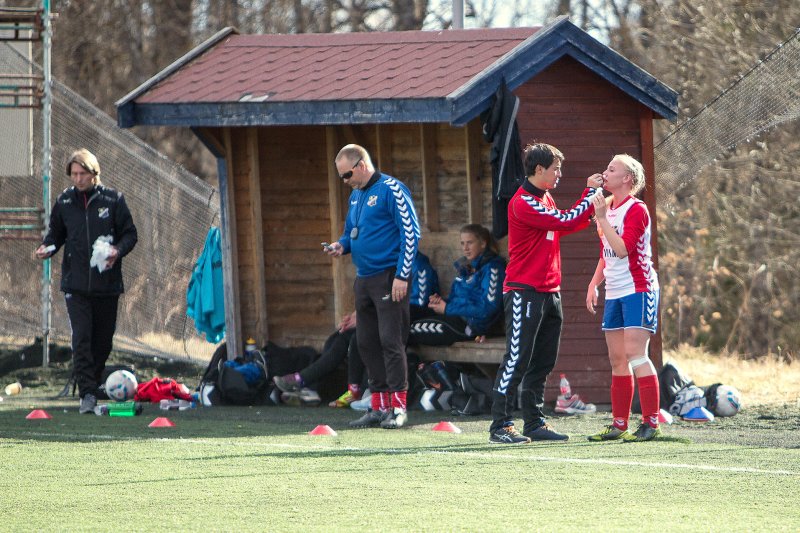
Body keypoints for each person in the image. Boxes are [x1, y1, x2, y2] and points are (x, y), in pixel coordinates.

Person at [488, 143, 603, 444]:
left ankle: (534, 422)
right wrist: (589, 194)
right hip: (524, 291)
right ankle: (500, 425)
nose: (560, 174)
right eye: (556, 169)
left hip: (550, 290)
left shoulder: (546, 197)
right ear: (539, 170)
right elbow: (564, 221)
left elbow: (564, 225)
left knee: (544, 360)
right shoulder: (524, 201)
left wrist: (589, 210)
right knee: (517, 358)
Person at [35, 149, 138, 414]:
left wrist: (117, 251)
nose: (78, 179)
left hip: (107, 285)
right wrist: (47, 247)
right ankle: (87, 394)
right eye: (74, 174)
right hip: (75, 285)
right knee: (81, 338)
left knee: (102, 342)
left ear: (94, 173)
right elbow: (55, 235)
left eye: (83, 174)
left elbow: (130, 234)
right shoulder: (65, 202)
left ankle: (93, 382)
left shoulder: (113, 200)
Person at [325, 144, 420, 429]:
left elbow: (411, 233)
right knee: (365, 342)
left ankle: (399, 407)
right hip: (364, 278)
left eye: (346, 175)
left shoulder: (392, 189)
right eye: (341, 176)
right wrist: (341, 246)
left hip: (389, 276)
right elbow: (351, 233)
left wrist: (402, 276)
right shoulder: (356, 195)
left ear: (362, 165)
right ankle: (377, 406)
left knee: (391, 341)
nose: (345, 182)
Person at [273, 252, 439, 408]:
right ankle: (311, 388)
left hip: (405, 322)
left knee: (360, 336)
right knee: (338, 336)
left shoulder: (419, 265)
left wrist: (368, 316)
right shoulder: (389, 263)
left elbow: (417, 306)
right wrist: (360, 313)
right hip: (385, 317)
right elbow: (378, 297)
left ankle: (351, 390)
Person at [586, 154, 662, 442]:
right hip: (615, 290)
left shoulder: (636, 209)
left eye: (612, 169)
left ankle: (651, 422)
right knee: (617, 358)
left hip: (638, 288)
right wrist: (594, 283)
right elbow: (606, 254)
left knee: (635, 354)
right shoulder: (605, 206)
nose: (606, 172)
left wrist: (602, 218)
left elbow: (621, 250)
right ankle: (619, 424)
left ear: (627, 178)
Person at [408, 224, 505, 346]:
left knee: (407, 330)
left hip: (471, 326)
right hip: (456, 317)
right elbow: (457, 299)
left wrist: (447, 308)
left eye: (470, 243)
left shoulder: (493, 268)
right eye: (462, 243)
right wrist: (442, 303)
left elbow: (489, 308)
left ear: (483, 244)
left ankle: (408, 363)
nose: (465, 248)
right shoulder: (466, 269)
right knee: (405, 317)